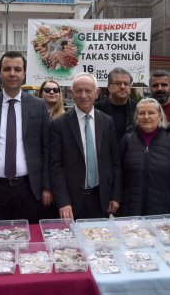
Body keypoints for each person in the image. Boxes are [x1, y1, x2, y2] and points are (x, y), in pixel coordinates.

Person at [0, 51, 52, 223]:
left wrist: (46, 187)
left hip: (30, 189)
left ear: (24, 74)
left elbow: (46, 149)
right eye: (7, 69)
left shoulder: (39, 107)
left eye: (17, 69)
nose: (12, 73)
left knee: (30, 241)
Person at [50, 72, 122, 219]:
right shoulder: (59, 124)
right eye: (78, 91)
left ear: (97, 93)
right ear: (71, 93)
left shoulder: (107, 122)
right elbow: (55, 165)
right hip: (71, 202)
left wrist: (115, 195)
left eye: (88, 91)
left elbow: (115, 162)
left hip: (101, 198)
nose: (83, 95)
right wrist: (63, 201)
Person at [119, 98, 170, 216]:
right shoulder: (127, 140)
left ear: (160, 116)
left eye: (151, 113)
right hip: (131, 212)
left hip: (164, 212)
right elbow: (118, 173)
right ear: (137, 117)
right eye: (142, 113)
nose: (146, 117)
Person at [94, 67, 137, 140]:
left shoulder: (138, 109)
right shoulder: (95, 109)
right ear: (108, 87)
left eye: (126, 84)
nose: (123, 87)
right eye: (118, 83)